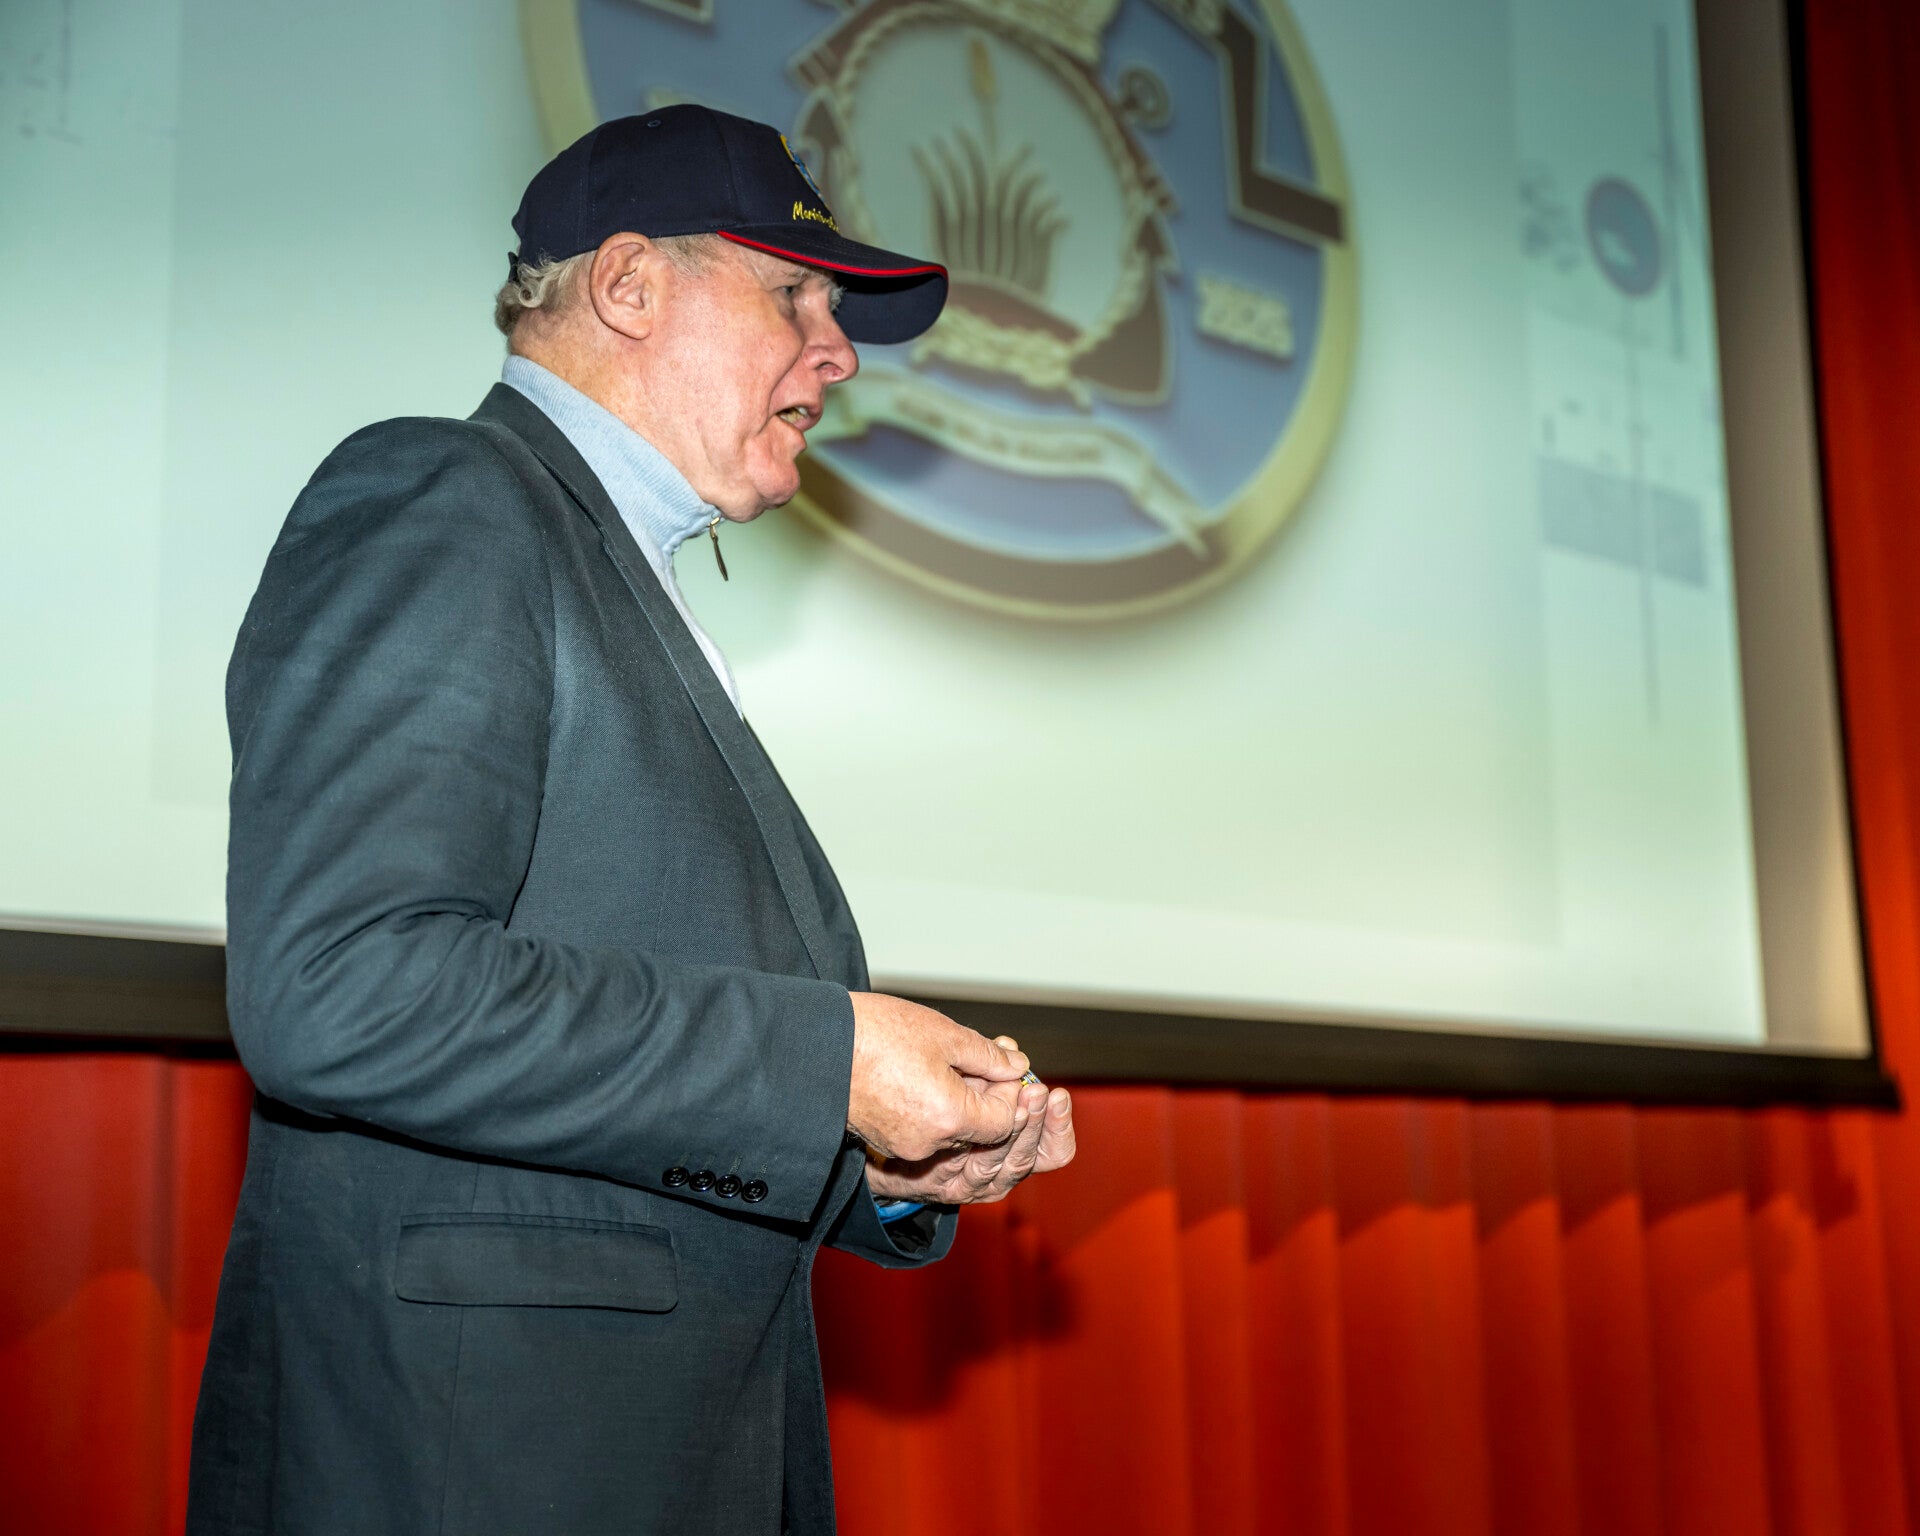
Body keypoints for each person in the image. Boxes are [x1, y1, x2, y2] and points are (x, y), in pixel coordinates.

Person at [185, 105, 1076, 1535]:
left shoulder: (616, 570)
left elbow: (620, 1088)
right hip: (473, 1476)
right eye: (796, 295)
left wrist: (882, 1165)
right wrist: (828, 1061)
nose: (839, 353)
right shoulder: (449, 498)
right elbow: (342, 987)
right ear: (628, 285)